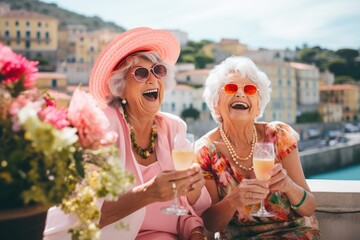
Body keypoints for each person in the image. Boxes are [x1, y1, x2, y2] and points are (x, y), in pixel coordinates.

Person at [44, 27, 210, 240]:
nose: (152, 79)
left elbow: (185, 209)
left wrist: (195, 229)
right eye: (141, 73)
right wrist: (147, 194)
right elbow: (82, 214)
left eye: (157, 70)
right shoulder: (103, 127)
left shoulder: (174, 128)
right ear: (120, 87)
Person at [195, 56, 320, 239]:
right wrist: (234, 200)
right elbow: (210, 223)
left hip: (295, 233)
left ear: (258, 105)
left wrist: (289, 186)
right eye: (231, 88)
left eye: (250, 89)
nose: (240, 94)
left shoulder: (278, 135)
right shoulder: (205, 151)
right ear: (216, 103)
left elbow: (309, 208)